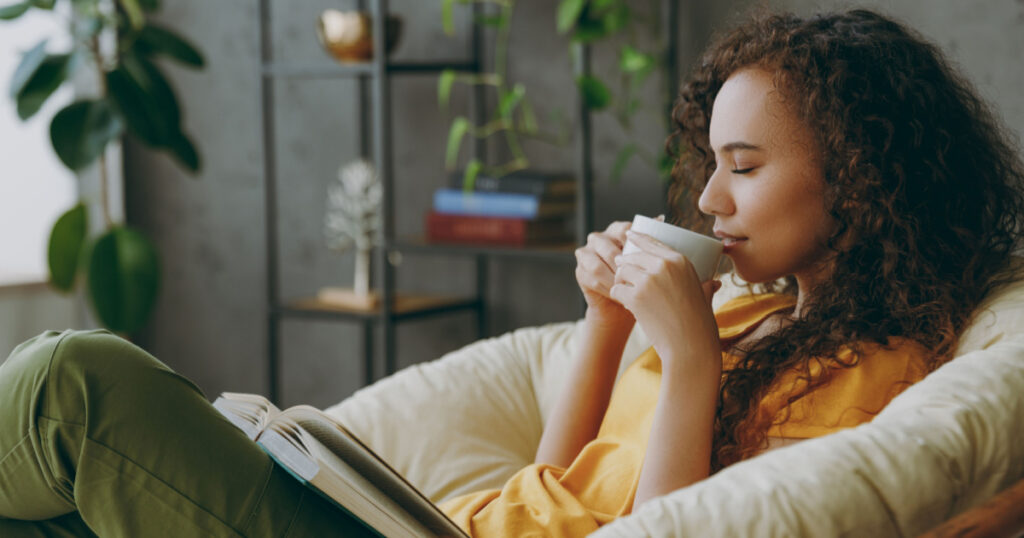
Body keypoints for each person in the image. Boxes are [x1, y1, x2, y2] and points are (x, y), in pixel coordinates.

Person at [1, 8, 1021, 538]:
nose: (707, 199)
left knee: (74, 379)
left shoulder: (874, 374)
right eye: (709, 162)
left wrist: (690, 360)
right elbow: (553, 471)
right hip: (444, 523)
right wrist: (605, 328)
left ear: (858, 179)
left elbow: (662, 528)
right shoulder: (749, 306)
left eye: (743, 169)